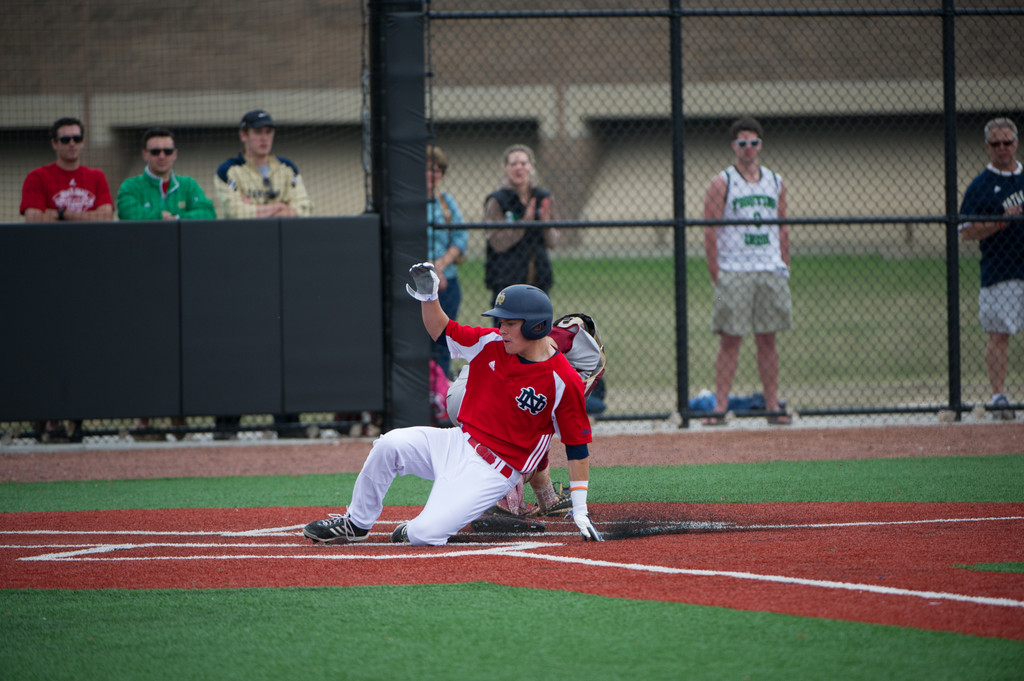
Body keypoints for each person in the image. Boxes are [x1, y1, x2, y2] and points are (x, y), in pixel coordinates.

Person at [303, 264, 602, 546]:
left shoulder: (562, 379)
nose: (502, 329)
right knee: (388, 445)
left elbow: (577, 448)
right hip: (457, 442)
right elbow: (441, 330)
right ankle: (356, 524)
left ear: (537, 327)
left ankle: (421, 527)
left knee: (422, 535)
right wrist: (429, 297)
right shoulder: (491, 343)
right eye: (500, 321)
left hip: (495, 472)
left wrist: (580, 509)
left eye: (510, 323)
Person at [446, 313, 606, 519]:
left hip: (466, 389)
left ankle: (527, 496)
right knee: (525, 438)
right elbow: (562, 336)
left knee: (486, 447)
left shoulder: (534, 344)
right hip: (488, 391)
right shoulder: (581, 357)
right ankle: (505, 500)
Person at [214, 109, 314, 438]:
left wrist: (258, 209)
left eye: (268, 130)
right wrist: (278, 207)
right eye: (257, 131)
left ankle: (288, 422)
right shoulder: (228, 170)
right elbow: (232, 211)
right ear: (243, 135)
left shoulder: (288, 169)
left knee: (286, 343)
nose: (263, 136)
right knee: (239, 346)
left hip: (284, 270)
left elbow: (304, 209)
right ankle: (227, 424)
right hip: (242, 271)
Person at [20, 116, 115, 443]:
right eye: (64, 139)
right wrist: (78, 218)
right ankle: (48, 422)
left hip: (88, 277)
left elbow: (106, 217)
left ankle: (78, 420)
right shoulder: (39, 176)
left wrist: (59, 214)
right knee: (48, 349)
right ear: (54, 143)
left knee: (85, 350)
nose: (71, 144)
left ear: (83, 141)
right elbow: (33, 219)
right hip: (47, 277)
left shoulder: (96, 176)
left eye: (76, 138)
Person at [118, 127, 216, 441]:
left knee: (182, 352)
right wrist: (170, 218)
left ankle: (179, 421)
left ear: (175, 154)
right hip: (143, 285)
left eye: (167, 150)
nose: (162, 156)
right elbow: (128, 214)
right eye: (155, 150)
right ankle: (142, 423)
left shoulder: (187, 184)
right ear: (145, 154)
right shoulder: (131, 186)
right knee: (145, 352)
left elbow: (209, 213)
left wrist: (170, 217)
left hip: (183, 284)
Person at [702, 117, 792, 426]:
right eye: (742, 143)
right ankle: (720, 408)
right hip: (735, 269)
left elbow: (782, 226)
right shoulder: (722, 182)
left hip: (769, 267)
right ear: (734, 146)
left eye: (753, 142)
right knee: (731, 340)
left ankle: (771, 407)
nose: (748, 148)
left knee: (768, 339)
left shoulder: (775, 181)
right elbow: (710, 230)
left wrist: (784, 263)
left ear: (761, 145)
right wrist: (717, 272)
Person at [958, 117, 1023, 420]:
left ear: (1016, 143)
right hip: (1000, 272)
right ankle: (998, 397)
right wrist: (999, 222)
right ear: (987, 147)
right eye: (995, 143)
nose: (1002, 148)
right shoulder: (981, 186)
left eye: (1007, 142)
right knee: (1000, 334)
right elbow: (965, 230)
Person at [483, 144, 559, 304]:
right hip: (506, 278)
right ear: (505, 168)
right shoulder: (497, 200)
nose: (519, 168)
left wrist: (545, 224)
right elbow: (497, 243)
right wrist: (524, 223)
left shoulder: (542, 197)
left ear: (531, 166)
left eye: (523, 164)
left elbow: (553, 241)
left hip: (538, 277)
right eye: (513, 164)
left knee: (539, 326)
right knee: (505, 327)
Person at [426, 145, 468, 379]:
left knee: (445, 340)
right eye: (428, 169)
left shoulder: (445, 201)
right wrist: (428, 270)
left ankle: (442, 394)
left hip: (447, 280)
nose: (433, 175)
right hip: (420, 282)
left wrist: (440, 265)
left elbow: (461, 236)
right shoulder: (407, 202)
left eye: (437, 170)